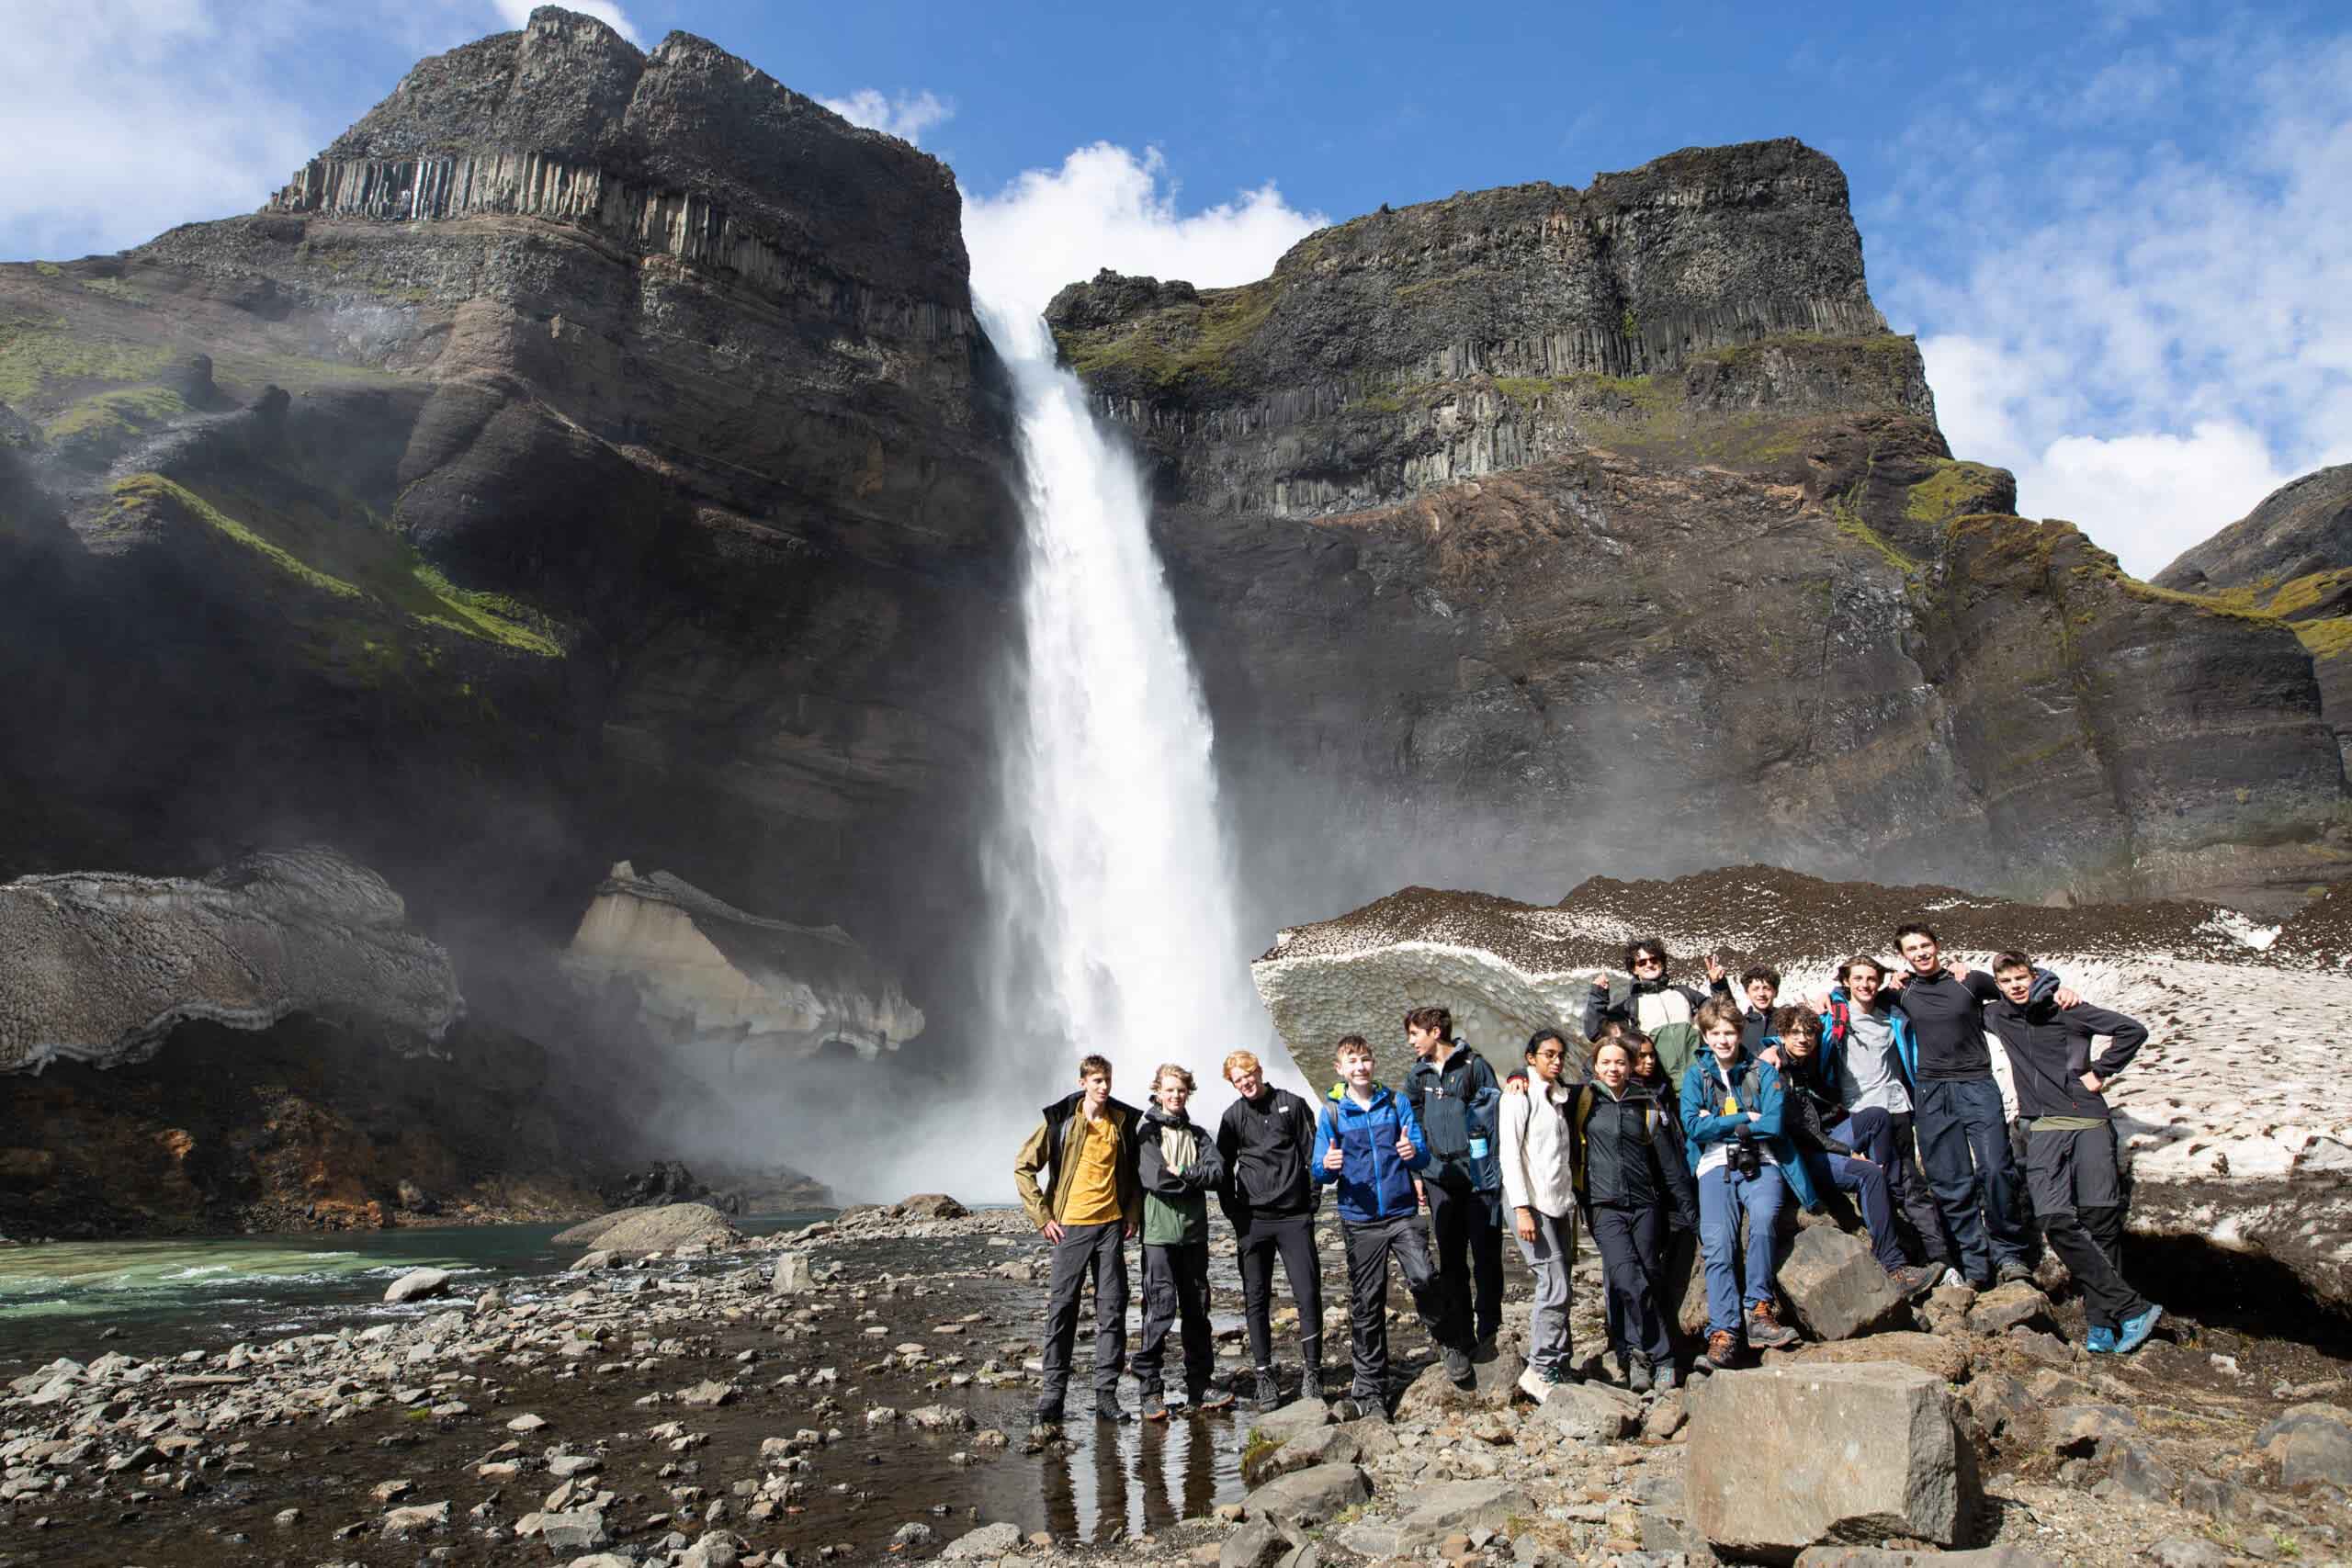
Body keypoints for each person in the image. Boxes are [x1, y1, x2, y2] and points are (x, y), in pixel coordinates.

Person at [1982, 953, 2165, 1354]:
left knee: (2101, 1222)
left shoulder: (2069, 1009)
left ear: (2035, 976)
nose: (2016, 985)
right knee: (2056, 1218)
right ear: (1998, 985)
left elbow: (2132, 1030)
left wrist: (2101, 1070)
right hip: (2045, 1125)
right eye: (2007, 980)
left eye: (2022, 977)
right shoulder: (1998, 1016)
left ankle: (2102, 1324)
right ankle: (2131, 1309)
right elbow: (1959, 995)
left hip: (2090, 1123)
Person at [1885, 923, 2075, 1289]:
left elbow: (2021, 983)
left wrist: (2056, 986)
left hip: (1976, 1084)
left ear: (1938, 945)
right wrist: (1828, 999)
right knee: (1949, 1178)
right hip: (1931, 1091)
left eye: (1926, 945)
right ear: (1903, 955)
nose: (1921, 953)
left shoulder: (1969, 980)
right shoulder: (1901, 989)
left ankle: (2009, 1254)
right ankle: (1975, 1262)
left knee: (1994, 1169)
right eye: (1912, 949)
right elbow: (1852, 993)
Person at [1313, 1033, 1446, 1420]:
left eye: (1365, 1060)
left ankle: (1448, 1342)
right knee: (1367, 1302)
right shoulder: (1333, 1112)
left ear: (1373, 1063)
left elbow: (1419, 1153)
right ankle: (1370, 1388)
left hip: (1402, 1212)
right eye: (1352, 1061)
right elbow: (1319, 1167)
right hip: (1360, 1218)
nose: (1360, 1067)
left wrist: (1413, 1153)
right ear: (1340, 1069)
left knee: (1424, 1276)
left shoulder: (1397, 1103)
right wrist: (1328, 1167)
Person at [1770, 1007, 1940, 1298]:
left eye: (1809, 1033)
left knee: (1876, 1115)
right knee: (1868, 1172)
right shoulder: (1776, 1071)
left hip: (1822, 1140)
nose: (1803, 1039)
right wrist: (1848, 1151)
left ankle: (1882, 1187)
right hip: (1803, 1157)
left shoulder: (1804, 1064)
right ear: (1783, 1035)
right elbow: (1801, 1131)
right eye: (1795, 1033)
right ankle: (1894, 1267)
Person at [1012, 1055, 1143, 1428]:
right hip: (1070, 1227)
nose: (1104, 1087)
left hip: (1111, 1228)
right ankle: (1052, 1396)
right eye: (1097, 1080)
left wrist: (1132, 1213)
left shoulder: (1121, 1122)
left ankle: (1106, 1396)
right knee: (1062, 1310)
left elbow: (1132, 1175)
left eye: (1108, 1080)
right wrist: (1043, 1217)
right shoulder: (1061, 1121)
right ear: (1083, 1081)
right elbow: (1024, 1167)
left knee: (1112, 1310)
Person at [1574, 1033, 1700, 1392]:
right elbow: (1540, 1080)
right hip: (1604, 1206)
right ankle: (1660, 1357)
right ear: (1595, 1067)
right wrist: (1520, 1073)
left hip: (1645, 1206)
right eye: (1606, 1063)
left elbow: (1671, 1166)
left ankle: (1638, 1356)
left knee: (1648, 1277)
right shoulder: (1582, 1101)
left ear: (1630, 1067)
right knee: (1629, 1280)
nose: (1613, 1068)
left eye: (1620, 1062)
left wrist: (1691, 1213)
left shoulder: (1646, 1104)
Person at [1816, 954, 1956, 1278]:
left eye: (1871, 979)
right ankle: (1895, 1259)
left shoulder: (1891, 1017)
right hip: (1858, 1113)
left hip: (1897, 1110)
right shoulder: (1836, 1018)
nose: (1865, 985)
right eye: (1858, 979)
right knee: (1877, 1183)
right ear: (1846, 982)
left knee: (1908, 1184)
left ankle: (1940, 1261)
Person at [1681, 998, 1801, 1369]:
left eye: (1730, 1032)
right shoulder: (1695, 1075)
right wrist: (1745, 1118)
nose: (1723, 1040)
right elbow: (1692, 1126)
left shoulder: (1762, 1071)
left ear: (1739, 1033)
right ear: (1705, 1035)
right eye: (1715, 1033)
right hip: (1715, 1165)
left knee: (1764, 1220)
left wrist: (1717, 1121)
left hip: (1761, 1160)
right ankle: (1724, 1331)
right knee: (1718, 1243)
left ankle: (1758, 1310)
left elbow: (1774, 1123)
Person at [1216, 1049, 1326, 1409]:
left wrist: (1310, 1201)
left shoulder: (1292, 1105)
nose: (1244, 1083)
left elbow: (1314, 1156)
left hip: (1293, 1217)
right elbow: (1222, 1169)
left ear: (1259, 1070)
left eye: (1247, 1075)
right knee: (1256, 1298)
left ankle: (1313, 1372)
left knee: (1307, 1293)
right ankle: (1264, 1376)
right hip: (1253, 1221)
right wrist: (1235, 1213)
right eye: (1237, 1080)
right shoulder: (1232, 1118)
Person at [1404, 1005, 1504, 1384]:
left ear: (1434, 1030)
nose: (1412, 1041)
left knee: (1486, 1254)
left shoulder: (1474, 1066)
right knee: (1450, 1260)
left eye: (1415, 1033)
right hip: (1438, 1176)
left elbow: (1493, 1113)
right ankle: (1461, 1336)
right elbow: (1411, 1124)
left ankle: (1490, 1327)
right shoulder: (1417, 1075)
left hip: (1477, 1176)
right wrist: (1418, 1171)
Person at [1134, 1064, 1233, 1417]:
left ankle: (1199, 1386)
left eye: (1181, 1090)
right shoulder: (1147, 1133)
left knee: (1197, 1312)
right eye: (1169, 1089)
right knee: (1158, 1310)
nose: (1176, 1096)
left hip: (1193, 1235)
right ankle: (1150, 1391)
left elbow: (1219, 1173)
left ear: (1188, 1093)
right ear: (1157, 1091)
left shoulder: (1199, 1134)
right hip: (1159, 1237)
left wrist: (1186, 1173)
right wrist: (1194, 1180)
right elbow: (1155, 1179)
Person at [1498, 1029, 1578, 1400]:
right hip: (1531, 1205)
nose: (1556, 1061)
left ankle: (1559, 1363)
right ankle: (1540, 1369)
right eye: (1548, 1054)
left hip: (1558, 1203)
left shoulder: (1557, 1096)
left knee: (1562, 1283)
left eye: (1560, 1055)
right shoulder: (1518, 1096)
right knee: (1554, 1283)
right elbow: (1510, 1155)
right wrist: (1521, 1209)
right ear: (1531, 1058)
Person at [1584, 939, 1726, 1088]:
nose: (1649, 964)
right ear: (1634, 969)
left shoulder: (1684, 994)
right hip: (1661, 1089)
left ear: (1662, 962)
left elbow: (1723, 1016)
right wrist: (1598, 995)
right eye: (1642, 962)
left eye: (1653, 959)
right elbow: (1594, 1032)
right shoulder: (1631, 1005)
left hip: (1702, 1082)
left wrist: (1718, 984)